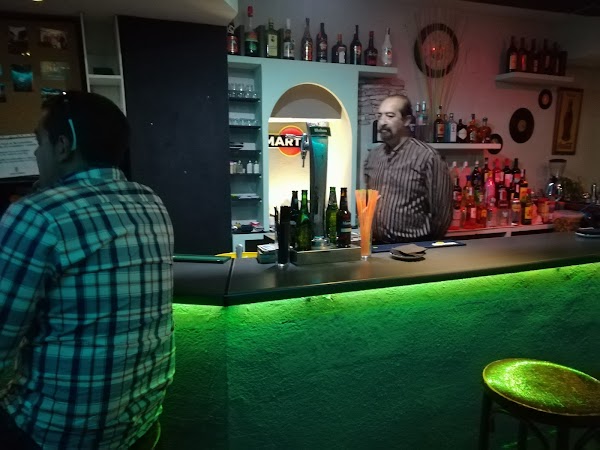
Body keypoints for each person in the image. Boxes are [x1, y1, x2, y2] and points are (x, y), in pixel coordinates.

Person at [0, 91, 175, 449]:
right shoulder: (151, 203)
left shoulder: (37, 215)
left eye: (39, 142)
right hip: (141, 424)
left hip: (55, 433)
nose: (36, 154)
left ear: (63, 146)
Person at [364, 94, 452, 243]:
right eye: (380, 116)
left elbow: (442, 214)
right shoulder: (373, 156)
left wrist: (425, 245)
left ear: (406, 120)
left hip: (414, 248)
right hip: (377, 246)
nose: (382, 122)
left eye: (390, 116)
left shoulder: (427, 157)